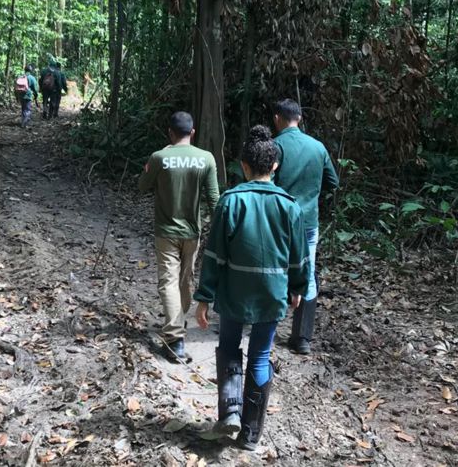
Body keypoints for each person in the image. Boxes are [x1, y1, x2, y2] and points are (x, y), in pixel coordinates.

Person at [194, 125, 310, 451]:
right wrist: (298, 286)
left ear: (244, 166)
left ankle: (229, 412)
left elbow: (214, 254)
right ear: (275, 167)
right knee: (260, 356)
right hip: (272, 291)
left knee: (229, 346)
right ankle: (250, 434)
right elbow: (299, 256)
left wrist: (204, 296)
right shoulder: (290, 206)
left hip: (235, 290)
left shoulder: (231, 201)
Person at [139, 112, 220, 362]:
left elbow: (143, 186)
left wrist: (149, 169)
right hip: (192, 232)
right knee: (185, 280)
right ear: (192, 132)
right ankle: (177, 324)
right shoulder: (206, 158)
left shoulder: (159, 157)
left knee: (168, 282)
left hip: (166, 231)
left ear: (170, 132)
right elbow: (214, 199)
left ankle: (175, 338)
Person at [272, 98, 339, 355]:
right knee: (307, 273)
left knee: (277, 269)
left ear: (278, 118)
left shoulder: (276, 146)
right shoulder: (318, 147)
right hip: (309, 221)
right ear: (298, 119)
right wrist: (312, 195)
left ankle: (266, 324)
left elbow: (268, 181)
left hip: (281, 220)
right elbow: (333, 182)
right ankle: (302, 338)